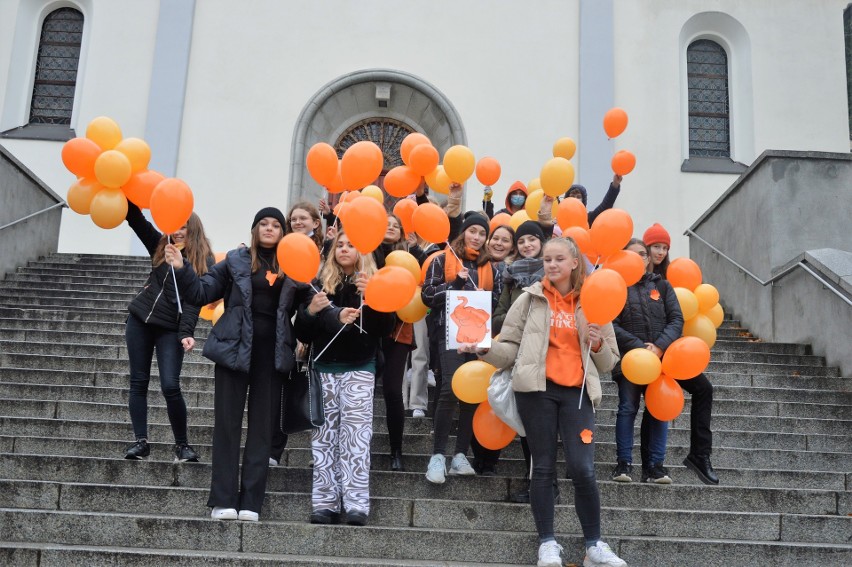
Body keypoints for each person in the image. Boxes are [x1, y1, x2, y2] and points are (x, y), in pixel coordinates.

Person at [463, 237, 626, 567]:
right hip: (535, 392)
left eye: (558, 259)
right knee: (543, 466)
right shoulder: (529, 298)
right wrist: (484, 349)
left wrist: (596, 346)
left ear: (574, 262)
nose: (551, 265)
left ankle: (594, 545)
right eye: (547, 259)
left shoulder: (593, 301)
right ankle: (547, 543)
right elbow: (508, 348)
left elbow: (610, 363)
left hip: (577, 394)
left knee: (583, 468)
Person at [164, 207, 298, 522]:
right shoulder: (235, 260)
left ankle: (251, 502)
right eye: (263, 223)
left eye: (275, 224)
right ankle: (223, 499)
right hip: (234, 351)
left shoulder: (293, 265)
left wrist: (320, 310)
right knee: (227, 425)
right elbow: (201, 291)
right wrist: (182, 267)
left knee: (262, 431)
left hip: (271, 354)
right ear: (254, 229)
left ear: (283, 232)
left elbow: (307, 309)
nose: (269, 228)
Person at [295, 230, 392, 526]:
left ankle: (356, 505)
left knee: (356, 440)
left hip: (360, 368)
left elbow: (384, 328)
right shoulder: (319, 286)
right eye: (341, 245)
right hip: (325, 370)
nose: (345, 249)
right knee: (323, 440)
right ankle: (324, 503)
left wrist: (373, 297)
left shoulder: (374, 284)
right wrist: (312, 312)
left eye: (352, 245)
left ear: (362, 252)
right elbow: (303, 332)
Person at [122, 202, 213, 462]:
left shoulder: (202, 259)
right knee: (138, 382)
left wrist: (186, 332)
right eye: (175, 225)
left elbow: (194, 301)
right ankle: (140, 442)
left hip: (170, 328)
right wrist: (128, 197)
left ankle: (182, 445)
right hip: (140, 320)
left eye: (184, 226)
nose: (179, 231)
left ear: (193, 228)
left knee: (170, 385)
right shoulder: (161, 245)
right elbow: (137, 222)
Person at [422, 211, 501, 484]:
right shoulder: (442, 259)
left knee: (472, 392)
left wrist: (485, 299)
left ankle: (459, 455)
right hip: (449, 334)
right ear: (463, 232)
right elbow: (427, 296)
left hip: (479, 337)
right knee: (449, 390)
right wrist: (456, 284)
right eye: (472, 231)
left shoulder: (492, 267)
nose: (477, 237)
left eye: (482, 233)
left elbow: (497, 304)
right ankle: (437, 456)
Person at [643, 224, 719, 485]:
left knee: (704, 389)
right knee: (652, 406)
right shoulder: (636, 279)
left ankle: (700, 454)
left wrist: (664, 345)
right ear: (646, 247)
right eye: (656, 246)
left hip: (669, 351)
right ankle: (649, 465)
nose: (661, 252)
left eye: (664, 247)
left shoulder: (671, 280)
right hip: (642, 352)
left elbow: (677, 318)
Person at [610, 239, 683, 485]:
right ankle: (624, 463)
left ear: (649, 258)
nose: (639, 259)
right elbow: (611, 325)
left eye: (642, 254)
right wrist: (640, 347)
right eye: (631, 255)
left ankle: (655, 466)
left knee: (659, 411)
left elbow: (676, 319)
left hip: (660, 361)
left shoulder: (662, 286)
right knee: (627, 409)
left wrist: (659, 346)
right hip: (630, 361)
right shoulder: (616, 288)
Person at [269, 202, 325, 467]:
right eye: (293, 219)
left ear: (316, 222)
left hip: (320, 328)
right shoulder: (284, 252)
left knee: (320, 393)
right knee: (285, 391)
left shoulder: (326, 251)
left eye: (303, 218)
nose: (297, 222)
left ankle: (320, 452)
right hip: (293, 329)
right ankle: (273, 451)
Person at [376, 213, 418, 472]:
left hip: (399, 330)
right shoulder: (367, 253)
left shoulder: (411, 256)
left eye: (396, 226)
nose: (391, 229)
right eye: (386, 225)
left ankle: (396, 451)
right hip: (368, 330)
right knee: (363, 392)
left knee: (393, 391)